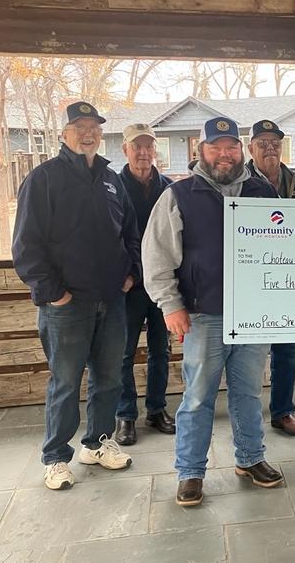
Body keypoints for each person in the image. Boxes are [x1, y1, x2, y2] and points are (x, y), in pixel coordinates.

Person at [144, 116, 284, 507]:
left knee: (248, 393)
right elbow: (156, 257)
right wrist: (171, 306)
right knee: (198, 397)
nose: (225, 154)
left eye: (231, 147)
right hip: (203, 314)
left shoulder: (262, 192)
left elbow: (282, 250)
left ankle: (251, 458)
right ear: (200, 151)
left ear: (241, 151)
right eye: (215, 147)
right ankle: (190, 471)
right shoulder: (179, 195)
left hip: (254, 316)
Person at [12, 101, 138, 491]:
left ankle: (97, 443)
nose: (89, 133)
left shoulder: (110, 179)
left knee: (109, 378)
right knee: (65, 383)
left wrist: (131, 272)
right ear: (64, 134)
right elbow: (26, 245)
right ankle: (55, 457)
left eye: (95, 127)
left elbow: (130, 231)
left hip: (111, 301)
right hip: (67, 306)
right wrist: (55, 295)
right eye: (80, 127)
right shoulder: (43, 179)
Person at [246, 119, 295, 437]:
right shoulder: (237, 182)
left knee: (288, 352)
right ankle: (246, 417)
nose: (270, 149)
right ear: (250, 148)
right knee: (249, 355)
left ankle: (283, 411)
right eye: (262, 143)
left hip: (289, 282)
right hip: (251, 284)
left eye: (275, 143)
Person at [114, 123, 175, 445]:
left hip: (162, 287)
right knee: (123, 354)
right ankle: (125, 416)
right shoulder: (113, 185)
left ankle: (156, 409)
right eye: (136, 146)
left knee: (159, 351)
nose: (143, 152)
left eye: (148, 146)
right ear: (125, 149)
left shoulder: (168, 188)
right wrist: (126, 275)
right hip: (129, 287)